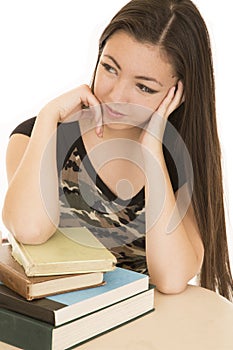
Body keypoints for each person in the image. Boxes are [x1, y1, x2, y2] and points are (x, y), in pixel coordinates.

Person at [2, 0, 232, 301]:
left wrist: (152, 149)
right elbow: (29, 229)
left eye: (144, 88)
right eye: (110, 68)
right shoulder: (39, 137)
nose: (116, 95)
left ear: (179, 93)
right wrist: (48, 116)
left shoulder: (179, 164)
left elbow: (172, 278)